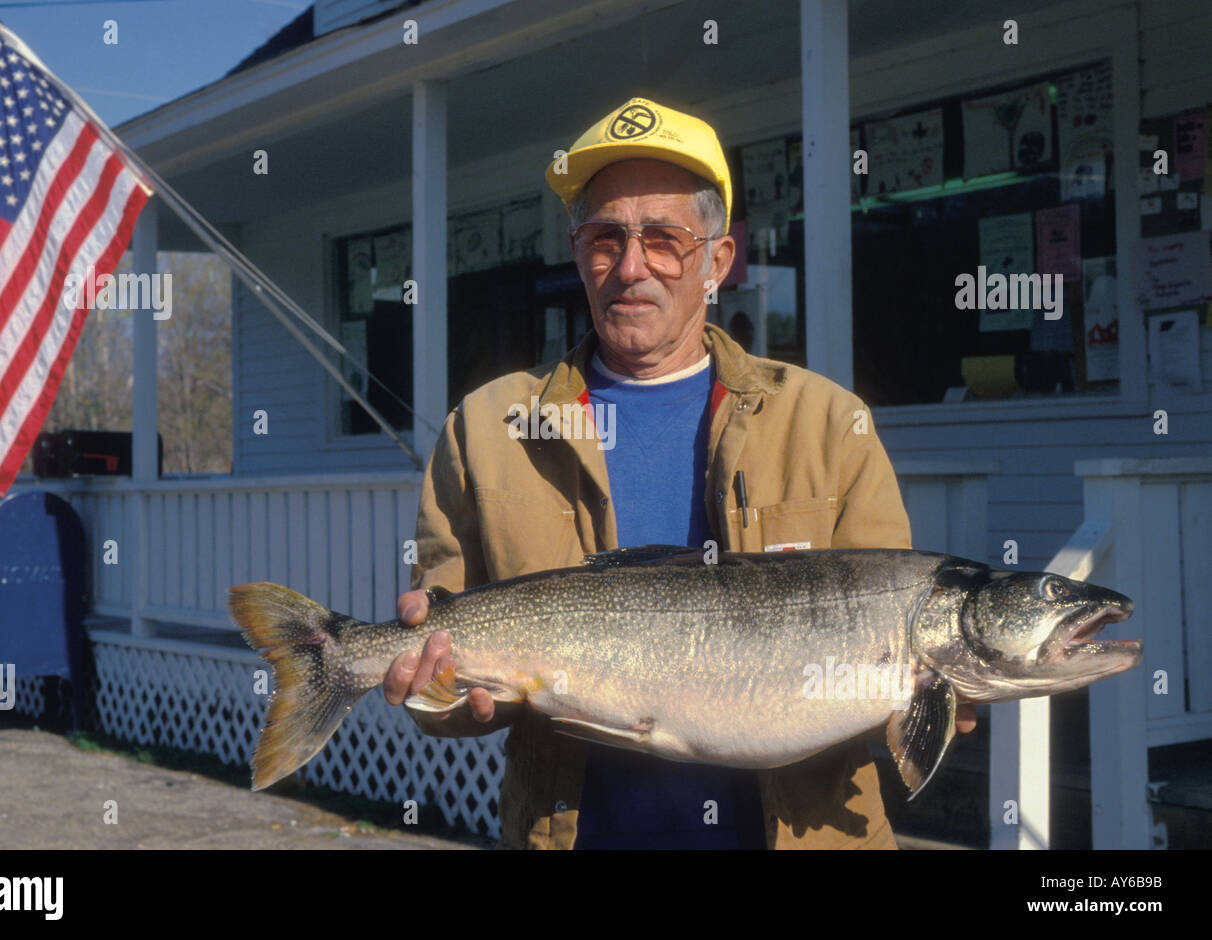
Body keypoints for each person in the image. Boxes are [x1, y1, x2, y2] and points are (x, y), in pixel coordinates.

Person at [381, 96, 975, 849]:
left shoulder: (831, 426)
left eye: (664, 238)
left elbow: (892, 655)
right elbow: (440, 683)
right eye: (606, 238)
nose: (632, 267)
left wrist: (933, 697)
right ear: (577, 252)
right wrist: (434, 691)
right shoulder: (486, 428)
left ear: (719, 261)